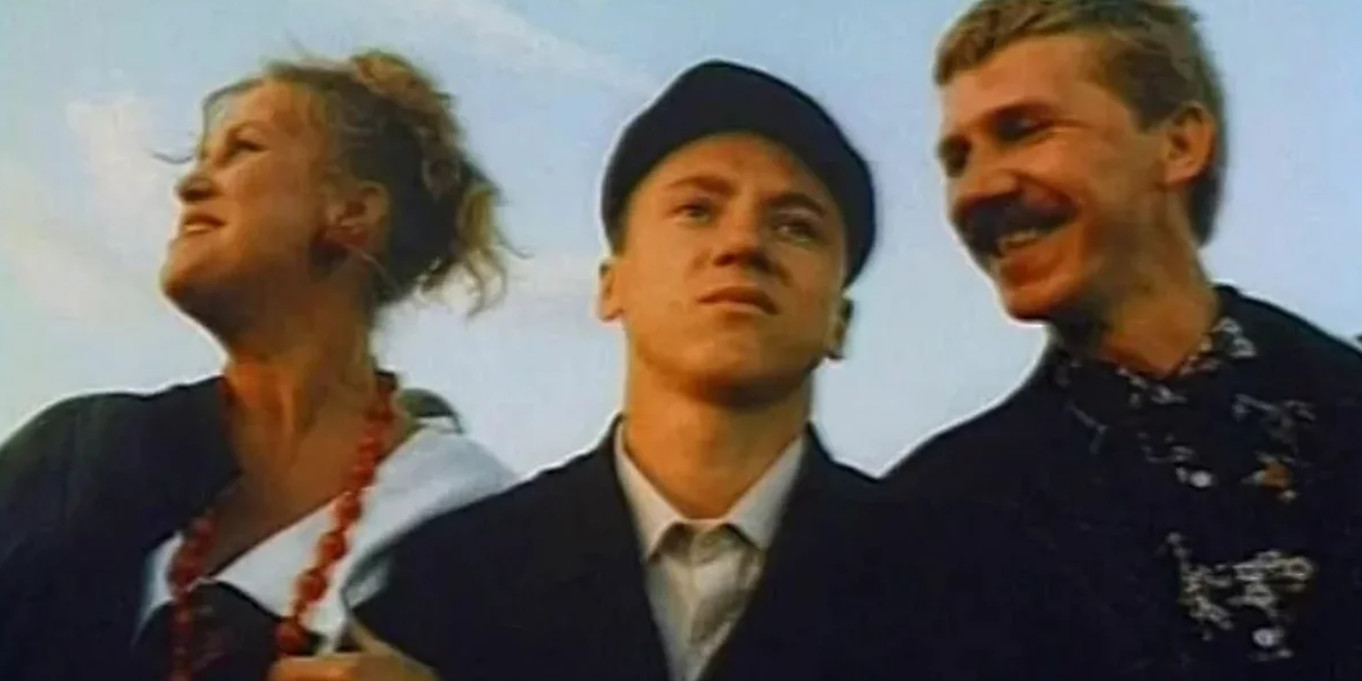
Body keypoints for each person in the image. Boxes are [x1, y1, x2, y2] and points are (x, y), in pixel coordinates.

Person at [882, 0, 1362, 679]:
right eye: (959, 160)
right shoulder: (929, 523)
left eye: (1023, 130)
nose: (978, 188)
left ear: (1179, 144)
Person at [349, 59, 883, 681]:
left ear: (840, 320)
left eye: (796, 227)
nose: (741, 244)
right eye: (697, 210)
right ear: (611, 285)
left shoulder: (942, 574)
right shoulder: (451, 578)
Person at [0, 49, 517, 681]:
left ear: (352, 214)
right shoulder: (74, 458)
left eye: (243, 149)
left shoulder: (479, 521)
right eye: (201, 159)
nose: (190, 186)